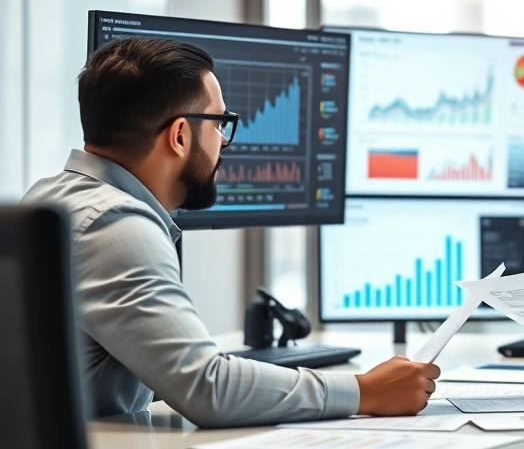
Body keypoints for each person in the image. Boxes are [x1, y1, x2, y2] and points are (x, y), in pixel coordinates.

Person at [22, 37, 440, 428]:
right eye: (219, 123)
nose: (223, 141)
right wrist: (363, 391)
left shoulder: (52, 197)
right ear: (181, 135)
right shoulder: (117, 225)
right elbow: (207, 388)